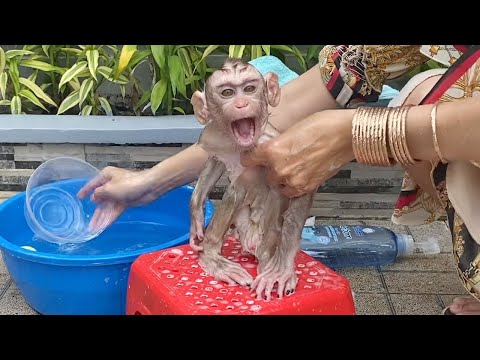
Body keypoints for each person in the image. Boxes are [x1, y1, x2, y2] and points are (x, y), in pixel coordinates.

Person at [78, 45, 480, 315]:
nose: (238, 103)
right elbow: (339, 76)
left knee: (427, 98)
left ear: (268, 90)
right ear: (204, 108)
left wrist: (359, 133)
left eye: (249, 90)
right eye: (226, 94)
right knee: (425, 93)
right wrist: (149, 183)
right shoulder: (230, 127)